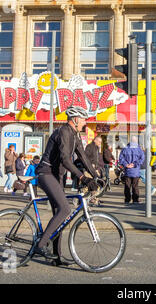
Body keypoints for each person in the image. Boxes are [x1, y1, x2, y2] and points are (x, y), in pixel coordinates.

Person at [34, 106, 98, 265]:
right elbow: (65, 160)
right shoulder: (63, 132)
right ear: (75, 119)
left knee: (60, 216)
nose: (85, 122)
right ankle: (40, 245)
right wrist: (83, 177)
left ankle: (56, 257)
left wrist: (97, 177)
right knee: (65, 209)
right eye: (83, 119)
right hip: (46, 173)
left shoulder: (75, 135)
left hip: (57, 176)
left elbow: (83, 157)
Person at [119, 135, 145, 205]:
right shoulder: (139, 149)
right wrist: (134, 164)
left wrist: (126, 164)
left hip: (127, 171)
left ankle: (127, 199)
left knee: (127, 186)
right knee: (135, 186)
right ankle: (135, 200)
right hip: (135, 171)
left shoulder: (125, 148)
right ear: (136, 141)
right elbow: (142, 159)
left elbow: (121, 158)